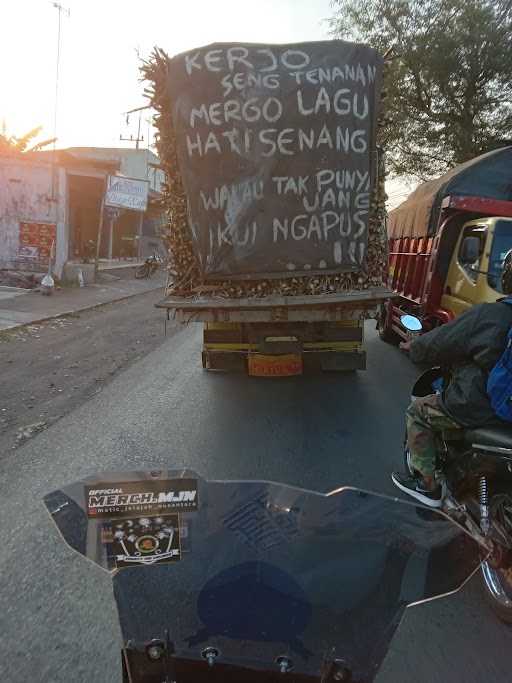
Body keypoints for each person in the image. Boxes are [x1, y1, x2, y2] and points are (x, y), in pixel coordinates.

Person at [392, 252, 512, 508]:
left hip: (481, 407)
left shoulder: (491, 315)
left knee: (418, 413)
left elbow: (441, 342)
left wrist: (414, 347)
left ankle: (428, 487)